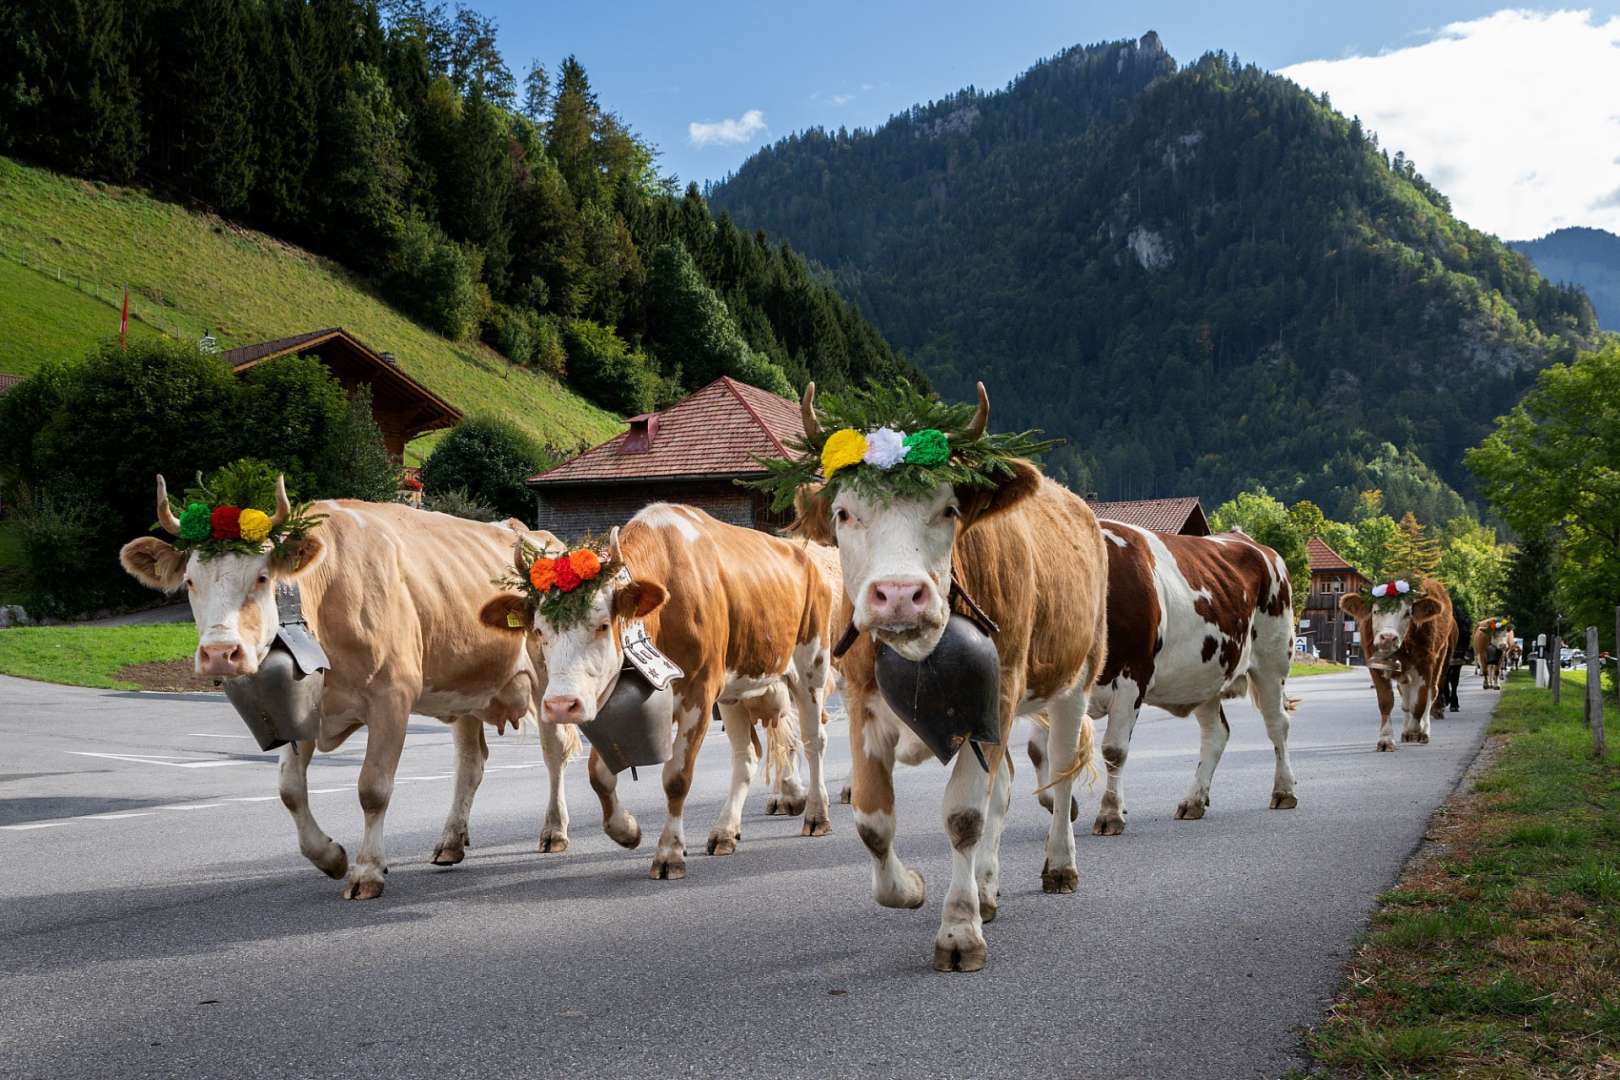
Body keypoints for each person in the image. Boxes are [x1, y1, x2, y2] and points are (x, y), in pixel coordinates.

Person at [1441, 599, 1473, 712]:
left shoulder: (1456, 614)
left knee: (1454, 674)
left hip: (1457, 648)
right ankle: (1445, 693)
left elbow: (1465, 632)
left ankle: (1453, 694)